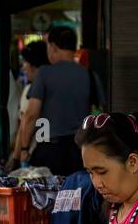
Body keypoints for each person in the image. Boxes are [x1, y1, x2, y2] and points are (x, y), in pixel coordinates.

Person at [14, 25, 91, 176]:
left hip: (49, 150)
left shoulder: (45, 73)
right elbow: (97, 111)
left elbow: (31, 115)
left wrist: (24, 149)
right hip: (80, 151)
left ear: (53, 47)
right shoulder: (88, 74)